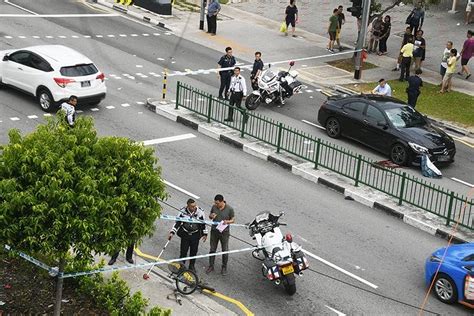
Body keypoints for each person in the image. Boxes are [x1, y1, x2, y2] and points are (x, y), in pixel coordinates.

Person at [168, 199, 208, 272]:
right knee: (183, 251)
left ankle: (191, 266)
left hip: (195, 235)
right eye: (192, 206)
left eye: (195, 206)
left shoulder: (200, 211)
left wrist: (205, 234)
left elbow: (203, 223)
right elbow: (177, 222)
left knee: (194, 251)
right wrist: (172, 232)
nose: (194, 208)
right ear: (188, 206)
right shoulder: (182, 211)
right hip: (185, 234)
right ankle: (181, 265)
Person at [206, 194, 235, 276]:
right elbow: (210, 216)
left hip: (224, 232)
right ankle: (211, 265)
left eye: (218, 203)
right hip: (214, 231)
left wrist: (228, 222)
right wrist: (211, 216)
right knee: (212, 249)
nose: (216, 205)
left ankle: (224, 267)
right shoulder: (214, 207)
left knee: (224, 250)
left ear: (222, 201)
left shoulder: (229, 209)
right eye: (215, 203)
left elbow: (233, 220)